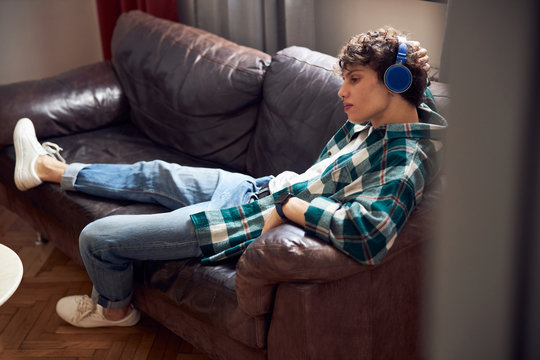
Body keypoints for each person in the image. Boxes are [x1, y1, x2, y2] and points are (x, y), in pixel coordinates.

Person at [12, 27, 446, 328]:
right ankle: (48, 169)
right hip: (259, 187)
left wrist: (289, 208)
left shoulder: (404, 160)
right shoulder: (390, 110)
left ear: (393, 83)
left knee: (97, 238)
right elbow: (415, 89)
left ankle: (112, 312)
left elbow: (369, 235)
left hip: (249, 221)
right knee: (156, 172)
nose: (341, 92)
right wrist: (408, 57)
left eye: (353, 80)